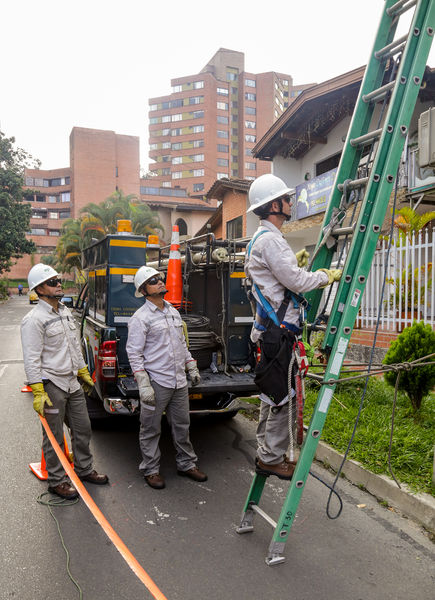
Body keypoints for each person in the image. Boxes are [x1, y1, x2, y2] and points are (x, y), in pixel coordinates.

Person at [245, 174, 341, 480]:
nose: (290, 203)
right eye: (286, 199)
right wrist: (325, 276)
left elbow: (280, 279)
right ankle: (271, 458)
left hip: (269, 333)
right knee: (280, 399)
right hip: (278, 334)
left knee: (272, 397)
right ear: (275, 205)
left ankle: (267, 453)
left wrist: (293, 264)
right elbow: (297, 282)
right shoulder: (271, 240)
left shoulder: (261, 240)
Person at [21, 264, 108, 499]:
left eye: (58, 280)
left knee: (83, 429)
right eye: (52, 282)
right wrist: (38, 391)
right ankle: (56, 480)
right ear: (39, 289)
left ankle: (84, 469)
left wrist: (83, 372)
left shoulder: (65, 312)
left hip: (72, 383)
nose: (59, 284)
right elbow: (31, 358)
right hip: (52, 385)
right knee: (54, 436)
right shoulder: (34, 320)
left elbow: (74, 346)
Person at [126, 266, 207, 490]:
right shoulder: (140, 318)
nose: (160, 282)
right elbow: (134, 353)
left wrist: (191, 366)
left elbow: (182, 343)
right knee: (150, 428)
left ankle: (187, 464)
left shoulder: (173, 311)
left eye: (160, 278)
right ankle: (151, 470)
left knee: (182, 425)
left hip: (178, 381)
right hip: (157, 381)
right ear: (143, 290)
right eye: (153, 281)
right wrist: (144, 385)